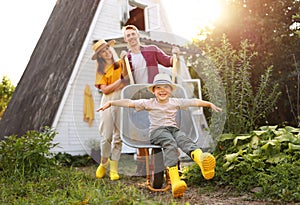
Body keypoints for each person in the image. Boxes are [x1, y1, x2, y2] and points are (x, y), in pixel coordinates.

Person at [96, 73, 223, 198]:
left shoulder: (175, 101)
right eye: (158, 87)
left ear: (171, 90)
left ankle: (201, 160)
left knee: (184, 139)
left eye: (166, 87)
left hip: (173, 129)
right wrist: (112, 103)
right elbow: (129, 102)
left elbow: (193, 102)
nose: (162, 90)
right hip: (157, 132)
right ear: (153, 91)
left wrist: (209, 104)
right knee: (170, 143)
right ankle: (175, 181)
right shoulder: (149, 103)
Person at [122, 24, 180, 176]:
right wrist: (122, 62)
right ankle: (142, 168)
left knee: (166, 126)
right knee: (140, 130)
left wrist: (175, 55)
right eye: (128, 35)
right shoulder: (127, 58)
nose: (131, 37)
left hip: (155, 94)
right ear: (125, 39)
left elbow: (168, 62)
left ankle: (174, 164)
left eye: (133, 34)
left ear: (138, 35)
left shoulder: (152, 49)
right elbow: (124, 77)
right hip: (138, 96)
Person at [92, 39, 128, 181]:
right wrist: (119, 82)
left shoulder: (120, 63)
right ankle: (103, 164)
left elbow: (127, 78)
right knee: (106, 135)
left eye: (107, 49)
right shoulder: (100, 70)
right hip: (107, 101)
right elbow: (105, 90)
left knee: (119, 136)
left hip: (121, 99)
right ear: (99, 56)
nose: (106, 53)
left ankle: (114, 169)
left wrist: (124, 59)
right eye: (102, 52)